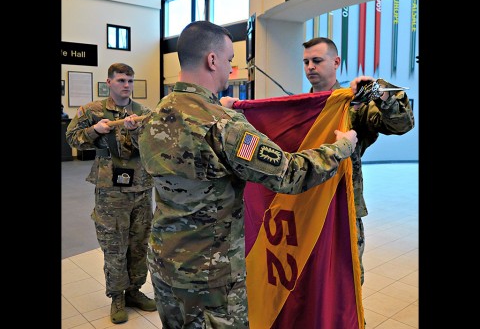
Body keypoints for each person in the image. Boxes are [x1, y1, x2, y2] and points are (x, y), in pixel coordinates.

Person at [136, 20, 358, 328]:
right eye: (229, 60)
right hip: (209, 276)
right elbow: (289, 174)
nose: (231, 69)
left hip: (164, 263)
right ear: (211, 60)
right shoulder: (224, 125)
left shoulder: (152, 116)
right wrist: (340, 148)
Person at [302, 37, 415, 285]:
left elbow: (402, 125)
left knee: (345, 283)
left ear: (336, 62)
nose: (310, 66)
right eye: (306, 61)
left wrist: (380, 92)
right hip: (306, 207)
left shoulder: (354, 104)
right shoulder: (300, 107)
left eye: (317, 60)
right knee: (308, 284)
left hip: (343, 205)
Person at [65, 63, 157, 324]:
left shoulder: (142, 113)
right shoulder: (92, 111)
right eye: (120, 80)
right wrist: (95, 130)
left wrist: (135, 131)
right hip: (110, 190)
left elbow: (151, 147)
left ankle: (134, 290)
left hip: (140, 186)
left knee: (139, 243)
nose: (126, 85)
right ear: (109, 82)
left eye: (130, 80)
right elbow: (71, 138)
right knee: (115, 244)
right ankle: (117, 296)